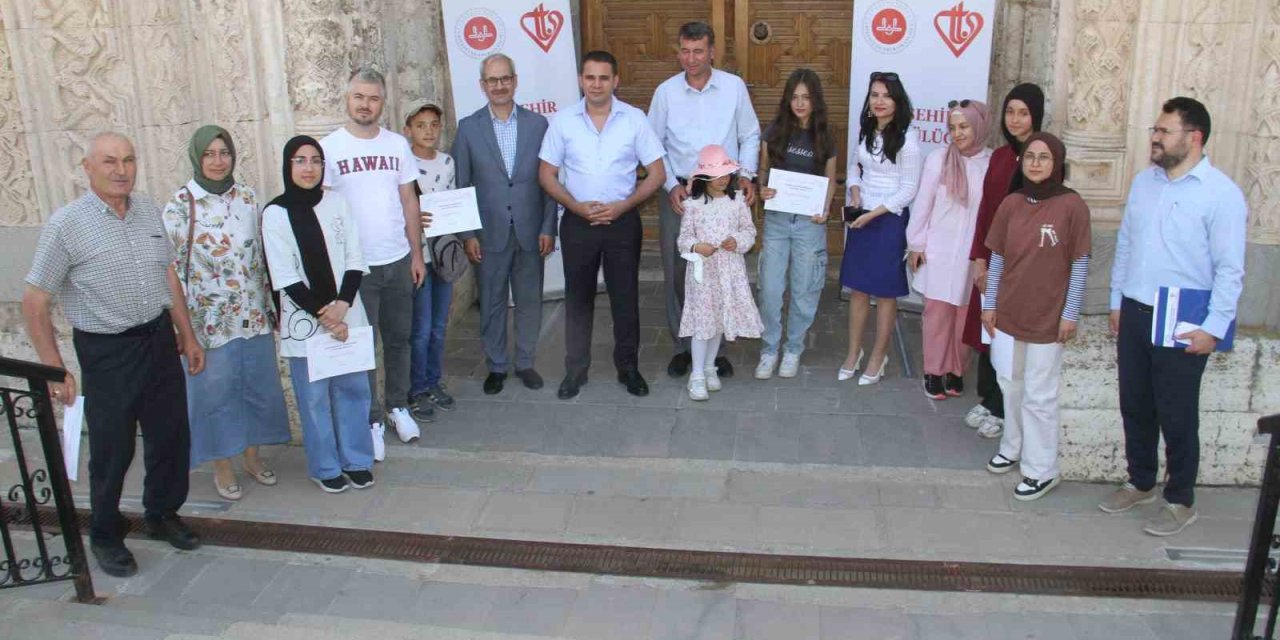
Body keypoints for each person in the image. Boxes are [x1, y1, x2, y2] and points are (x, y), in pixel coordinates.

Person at [23, 132, 204, 578]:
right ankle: (104, 532)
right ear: (87, 168)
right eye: (109, 162)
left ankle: (161, 513)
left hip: (159, 340)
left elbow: (167, 273)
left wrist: (188, 333)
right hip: (108, 351)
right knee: (112, 447)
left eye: (128, 160)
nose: (121, 170)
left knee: (170, 435)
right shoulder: (67, 225)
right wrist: (53, 368)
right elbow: (34, 301)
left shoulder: (145, 208)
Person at [1099, 97, 1247, 536]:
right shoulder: (1146, 183)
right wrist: (1116, 300)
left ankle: (1180, 498)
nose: (1155, 138)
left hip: (1184, 319)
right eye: (1155, 131)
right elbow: (1126, 243)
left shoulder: (1221, 194)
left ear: (1194, 137)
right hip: (1137, 310)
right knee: (1135, 404)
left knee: (1177, 412)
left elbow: (1230, 269)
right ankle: (1141, 481)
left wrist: (1214, 329)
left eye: (1164, 131)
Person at [161, 125, 290, 501]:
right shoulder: (180, 205)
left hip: (252, 315)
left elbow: (261, 259)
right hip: (208, 322)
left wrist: (272, 306)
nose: (218, 162)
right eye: (209, 154)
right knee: (214, 396)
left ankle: (252, 457)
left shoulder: (247, 197)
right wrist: (183, 330)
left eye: (224, 153)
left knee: (257, 389)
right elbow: (170, 273)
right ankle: (221, 465)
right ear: (197, 157)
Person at [538, 50, 666, 400]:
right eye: (590, 77)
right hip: (578, 224)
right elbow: (546, 175)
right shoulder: (562, 122)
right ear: (581, 80)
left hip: (622, 223)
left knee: (625, 298)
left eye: (603, 77)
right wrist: (576, 206)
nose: (596, 84)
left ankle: (629, 368)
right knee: (578, 299)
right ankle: (575, 371)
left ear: (615, 81)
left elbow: (658, 173)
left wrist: (624, 205)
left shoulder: (634, 119)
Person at [980, 132, 1091, 502]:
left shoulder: (1072, 206)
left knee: (1039, 395)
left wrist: (1070, 313)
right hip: (1009, 312)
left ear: (1057, 162)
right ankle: (1012, 447)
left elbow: (1079, 262)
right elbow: (997, 257)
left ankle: (1042, 469)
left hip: (1048, 317)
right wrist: (989, 304)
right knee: (1010, 384)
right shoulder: (1011, 204)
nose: (1037, 163)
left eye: (1044, 157)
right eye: (1030, 157)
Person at [262, 136, 376, 494]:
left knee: (354, 390)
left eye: (315, 160)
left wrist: (342, 306)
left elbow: (356, 257)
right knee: (313, 400)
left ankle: (357, 459)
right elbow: (285, 277)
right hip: (306, 321)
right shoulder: (275, 213)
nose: (308, 168)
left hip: (349, 312)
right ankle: (325, 465)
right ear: (288, 166)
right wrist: (326, 316)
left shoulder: (337, 202)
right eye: (300, 161)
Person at [320, 65, 425, 449]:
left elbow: (409, 200)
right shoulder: (330, 148)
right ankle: (371, 420)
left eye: (373, 98)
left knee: (399, 340)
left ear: (383, 103)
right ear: (347, 100)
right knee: (363, 346)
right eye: (359, 97)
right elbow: (325, 211)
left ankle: (398, 406)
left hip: (397, 259)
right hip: (355, 269)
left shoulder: (397, 144)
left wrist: (417, 254)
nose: (366, 105)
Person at [648, 21, 760, 380]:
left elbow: (750, 134)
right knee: (680, 271)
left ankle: (718, 350)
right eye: (684, 50)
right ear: (677, 51)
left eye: (698, 51)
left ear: (712, 51)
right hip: (680, 193)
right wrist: (668, 185)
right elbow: (652, 145)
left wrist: (747, 176)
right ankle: (684, 346)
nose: (691, 59)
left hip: (723, 192)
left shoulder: (733, 87)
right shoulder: (666, 92)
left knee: (723, 269)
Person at [453, 53, 557, 396]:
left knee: (529, 301)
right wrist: (467, 234)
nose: (499, 86)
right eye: (492, 80)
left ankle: (525, 362)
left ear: (515, 80)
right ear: (483, 85)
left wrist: (548, 227)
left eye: (504, 79)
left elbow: (549, 181)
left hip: (530, 231)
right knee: (493, 303)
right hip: (488, 234)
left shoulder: (538, 125)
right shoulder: (468, 129)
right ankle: (496, 365)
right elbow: (462, 186)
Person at [962, 83, 1045, 438]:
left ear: (1036, 116)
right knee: (989, 329)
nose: (1015, 119)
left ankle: (1002, 408)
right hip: (992, 257)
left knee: (1010, 335)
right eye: (1010, 112)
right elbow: (986, 211)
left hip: (1021, 262)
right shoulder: (999, 157)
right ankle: (990, 397)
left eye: (1023, 113)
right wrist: (979, 257)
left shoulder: (1041, 157)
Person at [755, 68, 838, 380]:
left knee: (804, 290)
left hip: (809, 223)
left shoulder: (826, 135)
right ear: (787, 100)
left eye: (806, 97)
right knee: (771, 290)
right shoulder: (774, 132)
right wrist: (763, 189)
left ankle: (793, 348)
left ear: (815, 100)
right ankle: (768, 349)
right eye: (795, 97)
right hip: (777, 221)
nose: (800, 103)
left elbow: (830, 179)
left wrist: (825, 208)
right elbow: (763, 172)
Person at [906, 100, 992, 399]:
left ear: (979, 126)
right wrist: (916, 242)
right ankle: (933, 371)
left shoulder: (991, 164)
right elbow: (923, 204)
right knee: (937, 315)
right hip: (938, 251)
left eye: (964, 126)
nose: (957, 133)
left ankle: (956, 370)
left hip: (972, 255)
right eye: (953, 127)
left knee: (964, 318)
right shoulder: (939, 159)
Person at [839, 71, 921, 385]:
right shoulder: (866, 130)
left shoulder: (908, 140)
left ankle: (878, 356)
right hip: (862, 214)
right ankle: (853, 352)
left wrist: (873, 214)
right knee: (858, 289)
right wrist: (856, 191)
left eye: (886, 95)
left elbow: (909, 189)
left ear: (897, 101)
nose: (880, 101)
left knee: (885, 294)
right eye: (875, 95)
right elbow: (854, 167)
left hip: (888, 220)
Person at [677, 145, 763, 401]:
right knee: (703, 322)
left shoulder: (737, 202)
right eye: (716, 175)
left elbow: (749, 232)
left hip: (728, 271)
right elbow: (683, 239)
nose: (723, 179)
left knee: (718, 322)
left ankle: (709, 366)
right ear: (704, 178)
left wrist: (737, 240)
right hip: (703, 274)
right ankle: (697, 376)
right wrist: (696, 247)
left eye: (726, 173)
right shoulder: (692, 206)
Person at [403, 101, 457, 425]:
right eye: (421, 125)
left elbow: (452, 199)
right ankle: (416, 388)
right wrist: (411, 217)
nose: (428, 131)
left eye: (434, 124)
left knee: (438, 326)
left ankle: (434, 381)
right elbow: (394, 206)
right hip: (417, 256)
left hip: (443, 254)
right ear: (408, 129)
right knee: (420, 329)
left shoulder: (447, 162)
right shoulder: (402, 164)